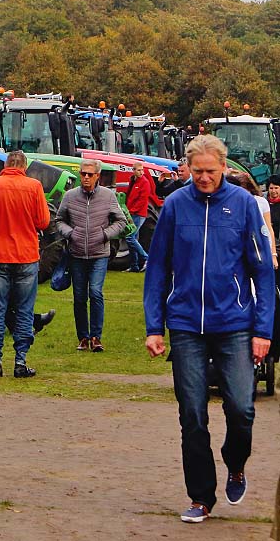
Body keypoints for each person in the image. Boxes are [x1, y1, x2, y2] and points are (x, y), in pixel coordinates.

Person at [145, 135, 274, 523]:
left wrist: (262, 330)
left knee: (242, 407)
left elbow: (262, 270)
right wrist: (155, 326)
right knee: (192, 414)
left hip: (234, 321)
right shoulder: (174, 207)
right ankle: (201, 497)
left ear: (224, 168)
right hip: (185, 324)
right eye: (197, 171)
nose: (203, 178)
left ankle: (235, 463)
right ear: (188, 169)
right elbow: (156, 270)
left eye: (210, 172)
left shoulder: (244, 205)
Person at [0, 150, 50, 378]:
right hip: (26, 255)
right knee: (25, 310)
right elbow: (43, 221)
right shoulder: (34, 186)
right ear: (24, 166)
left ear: (5, 165)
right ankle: (21, 361)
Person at [55, 159, 128, 352]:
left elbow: (121, 222)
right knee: (79, 297)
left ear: (97, 176)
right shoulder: (70, 196)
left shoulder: (108, 196)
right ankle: (83, 337)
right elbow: (59, 220)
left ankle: (96, 336)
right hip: (77, 254)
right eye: (83, 174)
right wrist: (70, 233)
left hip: (99, 254)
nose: (86, 177)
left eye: (89, 174)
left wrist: (105, 234)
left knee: (95, 292)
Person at [123, 160, 155, 272]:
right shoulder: (133, 181)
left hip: (138, 214)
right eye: (139, 170)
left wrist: (132, 210)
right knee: (132, 239)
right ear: (134, 171)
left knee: (130, 237)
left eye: (142, 170)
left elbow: (142, 200)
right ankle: (134, 265)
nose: (141, 172)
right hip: (132, 213)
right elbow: (130, 196)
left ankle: (147, 258)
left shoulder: (144, 182)